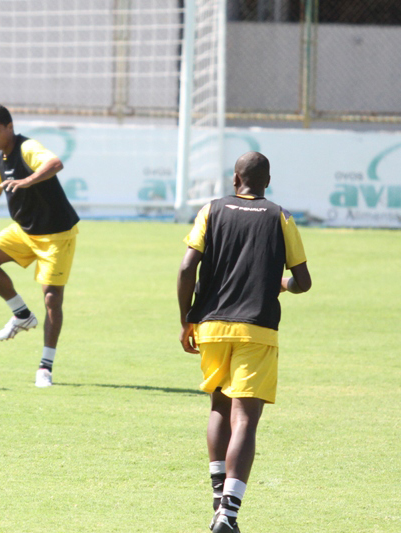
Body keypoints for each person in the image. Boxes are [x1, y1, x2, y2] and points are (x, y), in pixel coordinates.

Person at [177, 152, 312, 533]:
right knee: (245, 420)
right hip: (257, 328)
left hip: (212, 327)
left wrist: (186, 318)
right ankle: (229, 515)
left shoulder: (211, 210)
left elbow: (188, 267)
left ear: (236, 179)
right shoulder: (280, 217)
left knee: (219, 408)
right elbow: (302, 281)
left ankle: (218, 501)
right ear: (267, 182)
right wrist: (280, 283)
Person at [0, 104, 80, 388]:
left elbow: (55, 164)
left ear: (10, 127)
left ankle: (45, 367)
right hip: (24, 231)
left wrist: (28, 180)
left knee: (51, 300)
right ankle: (22, 315)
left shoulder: (28, 147)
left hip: (56, 235)